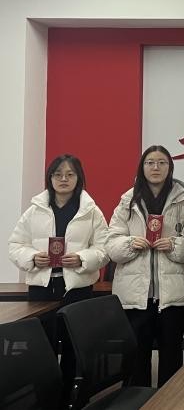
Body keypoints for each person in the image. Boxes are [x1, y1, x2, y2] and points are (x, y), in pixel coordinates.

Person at [8, 154, 109, 406]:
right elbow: (15, 245)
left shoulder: (90, 211)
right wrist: (33, 257)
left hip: (77, 288)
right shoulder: (35, 210)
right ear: (50, 178)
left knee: (75, 346)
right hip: (42, 288)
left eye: (70, 174)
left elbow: (104, 248)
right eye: (58, 174)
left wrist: (82, 258)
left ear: (79, 178)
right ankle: (46, 399)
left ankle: (71, 400)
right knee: (43, 347)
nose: (64, 179)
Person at [105, 145, 184, 387]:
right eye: (150, 163)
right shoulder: (127, 202)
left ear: (170, 167)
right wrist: (129, 244)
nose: (155, 167)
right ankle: (138, 401)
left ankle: (170, 401)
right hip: (135, 294)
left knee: (171, 356)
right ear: (142, 167)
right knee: (137, 357)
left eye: (162, 163)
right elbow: (111, 245)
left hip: (174, 295)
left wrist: (175, 245)